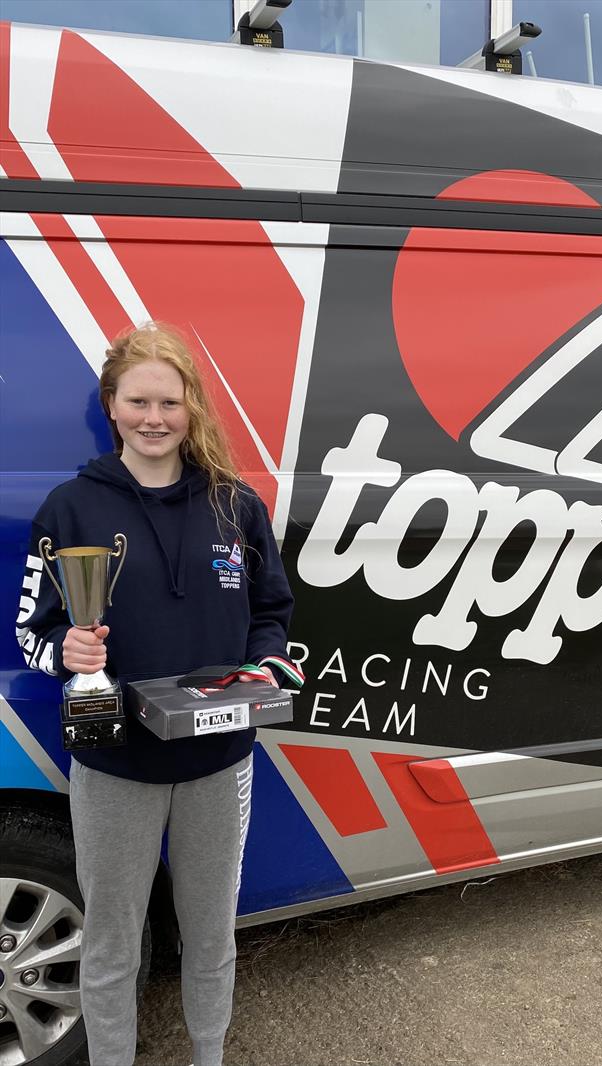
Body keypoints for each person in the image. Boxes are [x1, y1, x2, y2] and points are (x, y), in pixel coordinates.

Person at [16, 322, 300, 1066]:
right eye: (138, 400)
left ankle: (209, 1054)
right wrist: (65, 651)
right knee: (111, 940)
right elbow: (30, 632)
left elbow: (272, 612)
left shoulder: (235, 507)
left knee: (211, 934)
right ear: (111, 404)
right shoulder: (71, 509)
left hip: (219, 760)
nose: (153, 418)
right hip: (114, 766)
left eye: (168, 402)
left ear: (190, 408)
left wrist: (265, 665)